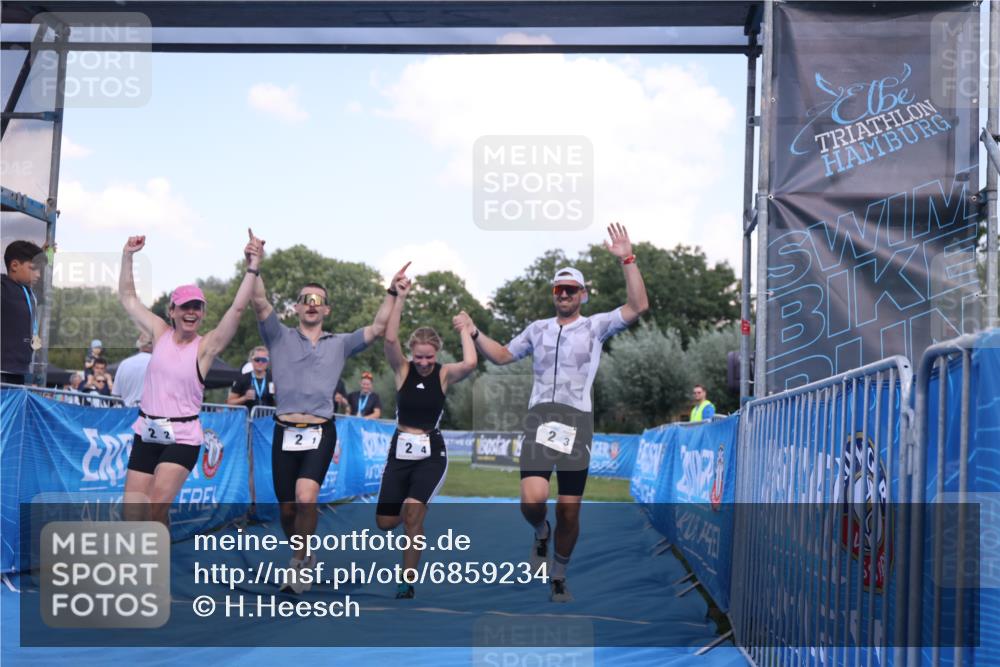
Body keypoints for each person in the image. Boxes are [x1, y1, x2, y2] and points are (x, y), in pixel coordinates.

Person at [454, 223, 648, 602]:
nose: (563, 294)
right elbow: (503, 356)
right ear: (553, 294)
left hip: (576, 421)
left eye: (571, 289)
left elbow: (638, 306)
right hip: (541, 419)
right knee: (532, 499)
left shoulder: (595, 327)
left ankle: (558, 572)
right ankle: (541, 532)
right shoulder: (537, 328)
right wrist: (475, 332)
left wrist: (627, 257)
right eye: (558, 289)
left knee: (570, 510)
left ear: (583, 295)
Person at [247, 229, 404, 592]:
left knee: (306, 497)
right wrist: (255, 264)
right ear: (298, 307)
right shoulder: (278, 335)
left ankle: (299, 565)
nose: (312, 303)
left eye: (319, 299)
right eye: (306, 299)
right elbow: (258, 302)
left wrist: (392, 291)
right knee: (287, 509)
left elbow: (380, 327)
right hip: (283, 431)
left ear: (326, 309)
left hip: (320, 431)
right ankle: (302, 552)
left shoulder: (340, 343)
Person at [119, 233, 262, 526]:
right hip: (148, 430)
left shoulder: (206, 347)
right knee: (133, 513)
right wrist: (128, 256)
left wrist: (252, 266)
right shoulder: (160, 333)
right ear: (172, 311)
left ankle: (154, 567)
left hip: (183, 437)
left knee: (156, 509)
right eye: (185, 306)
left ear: (203, 314)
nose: (191, 312)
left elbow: (236, 309)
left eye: (197, 307)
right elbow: (129, 298)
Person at [375, 272, 477, 599]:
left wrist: (465, 330)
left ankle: (407, 579)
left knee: (412, 513)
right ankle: (413, 519)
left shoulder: (444, 374)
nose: (422, 363)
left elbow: (472, 362)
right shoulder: (402, 369)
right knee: (385, 522)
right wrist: (400, 296)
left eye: (428, 357)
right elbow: (389, 340)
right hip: (400, 449)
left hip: (431, 452)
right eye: (418, 356)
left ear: (436, 354)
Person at [1, 240, 43, 385]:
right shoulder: (3, 288)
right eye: (33, 268)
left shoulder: (30, 293)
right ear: (14, 266)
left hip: (20, 371)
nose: (38, 274)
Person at [113, 333, 153, 407]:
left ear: (138, 344)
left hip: (126, 413)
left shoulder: (124, 364)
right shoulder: (159, 363)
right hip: (148, 414)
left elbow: (116, 395)